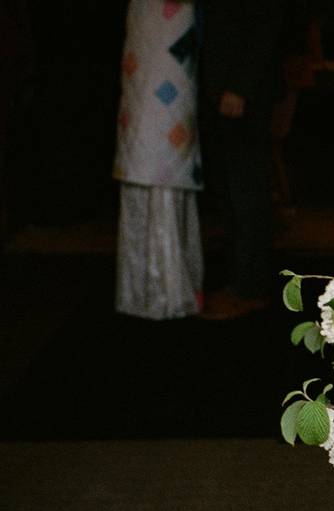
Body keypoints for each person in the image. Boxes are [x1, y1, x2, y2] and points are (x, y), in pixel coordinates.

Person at [114, 0, 203, 320]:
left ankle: (168, 288)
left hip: (171, 67)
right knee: (144, 157)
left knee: (162, 165)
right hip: (143, 61)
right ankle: (142, 289)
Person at [199, 1, 286, 320]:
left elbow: (266, 23)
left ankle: (250, 288)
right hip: (217, 88)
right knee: (230, 190)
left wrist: (240, 87)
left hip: (243, 92)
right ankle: (240, 281)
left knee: (246, 191)